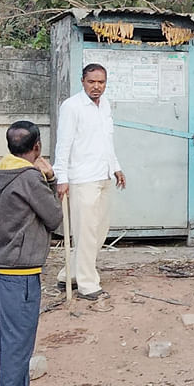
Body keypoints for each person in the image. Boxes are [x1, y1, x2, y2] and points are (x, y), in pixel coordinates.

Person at [0, 120, 62, 386]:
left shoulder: (7, 171)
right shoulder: (30, 178)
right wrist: (51, 177)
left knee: (17, 341)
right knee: (17, 344)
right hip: (20, 272)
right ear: (37, 148)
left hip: (12, 269)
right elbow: (55, 217)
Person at [53, 63, 125, 301]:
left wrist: (116, 167)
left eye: (101, 82)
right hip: (81, 177)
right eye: (92, 82)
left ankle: (69, 274)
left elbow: (107, 140)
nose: (96, 86)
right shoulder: (72, 106)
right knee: (85, 232)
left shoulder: (104, 105)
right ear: (83, 81)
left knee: (99, 231)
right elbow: (63, 144)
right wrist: (61, 177)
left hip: (103, 175)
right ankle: (87, 284)